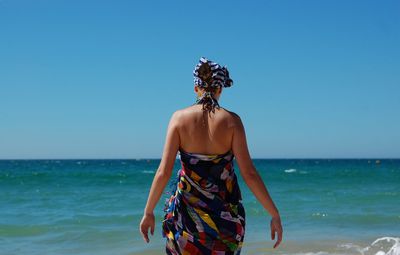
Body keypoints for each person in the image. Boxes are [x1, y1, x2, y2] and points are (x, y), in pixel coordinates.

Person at [140, 57, 283, 254]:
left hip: (187, 220)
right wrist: (274, 214)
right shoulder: (232, 122)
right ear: (220, 89)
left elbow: (163, 172)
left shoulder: (178, 119)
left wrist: (148, 212)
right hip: (225, 221)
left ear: (195, 87)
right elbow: (249, 174)